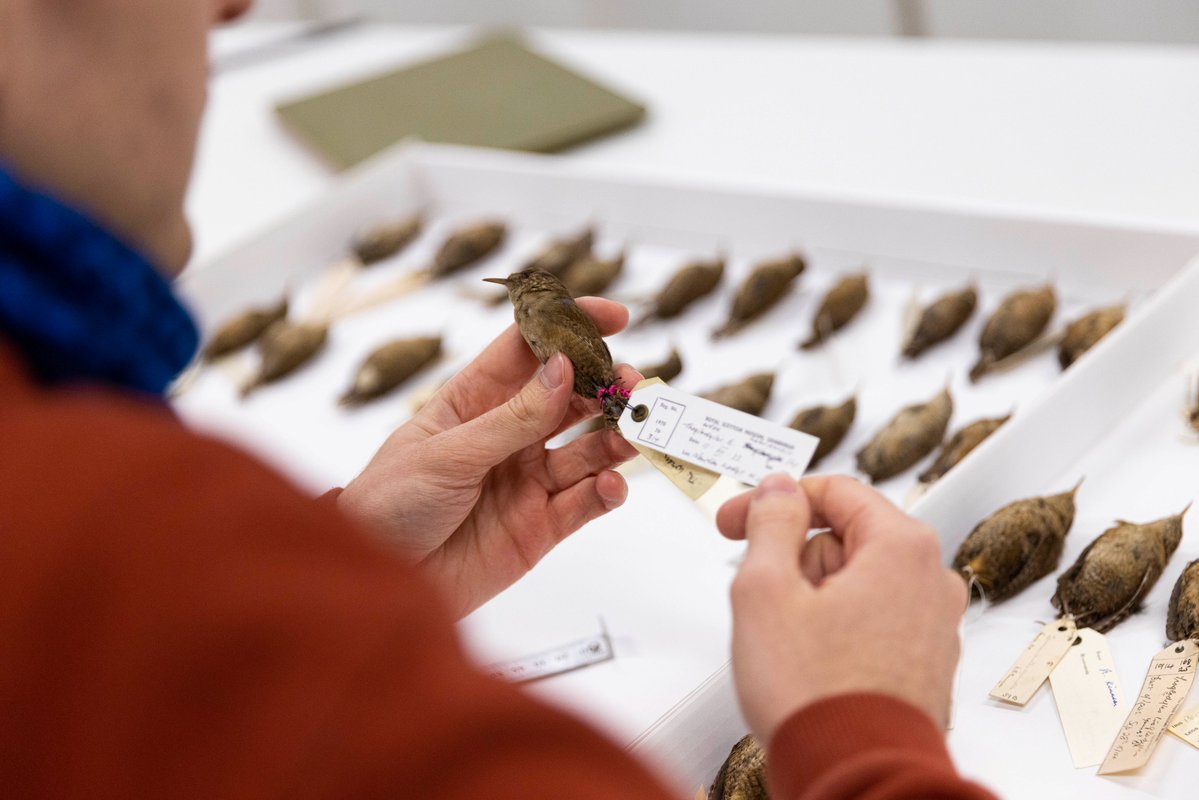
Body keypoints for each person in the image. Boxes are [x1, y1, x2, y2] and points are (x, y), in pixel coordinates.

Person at [0, 1, 997, 798]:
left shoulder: (90, 532)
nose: (232, 5)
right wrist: (865, 733)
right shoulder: (107, 529)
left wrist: (330, 565)